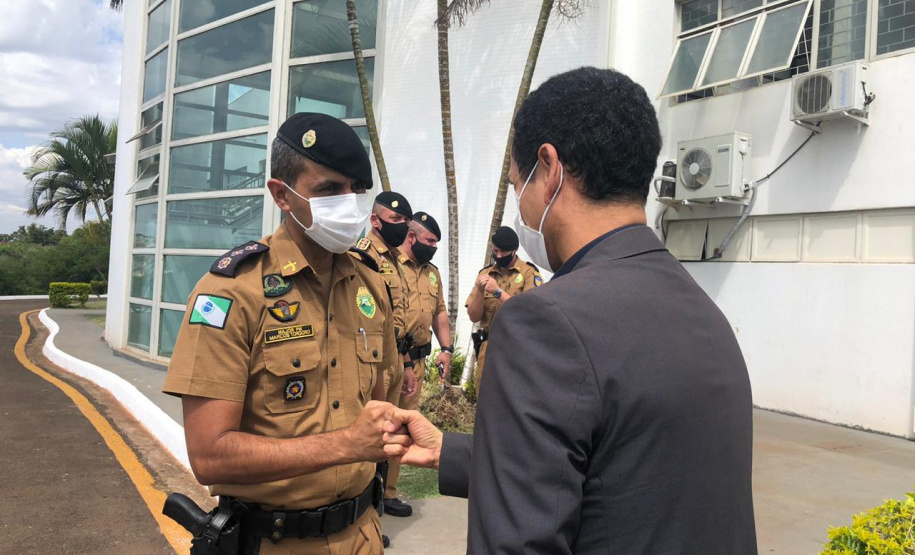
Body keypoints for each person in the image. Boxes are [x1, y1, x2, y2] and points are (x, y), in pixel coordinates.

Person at [383, 67, 758, 554]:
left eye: (519, 184)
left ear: (550, 167)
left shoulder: (545, 322)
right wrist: (452, 451)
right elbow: (625, 471)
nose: (520, 202)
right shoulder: (702, 310)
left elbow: (517, 540)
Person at [162, 113, 400, 554]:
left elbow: (378, 404)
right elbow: (209, 455)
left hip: (364, 534)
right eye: (329, 189)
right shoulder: (232, 292)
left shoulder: (371, 284)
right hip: (275, 541)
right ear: (281, 195)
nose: (348, 204)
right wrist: (347, 445)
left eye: (357, 190)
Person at [382, 211, 453, 517]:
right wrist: (405, 362)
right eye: (430, 241)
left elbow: (439, 313)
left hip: (419, 361)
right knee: (380, 426)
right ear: (411, 237)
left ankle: (386, 493)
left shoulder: (432, 272)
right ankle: (364, 494)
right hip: (391, 359)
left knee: (404, 429)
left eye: (437, 242)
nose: (434, 247)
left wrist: (447, 348)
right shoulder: (390, 265)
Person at [354, 191, 418, 518]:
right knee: (373, 431)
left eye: (405, 221)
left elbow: (400, 316)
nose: (403, 227)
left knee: (393, 431)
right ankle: (367, 507)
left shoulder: (394, 256)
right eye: (395, 220)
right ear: (375, 220)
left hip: (395, 353)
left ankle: (384, 497)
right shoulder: (365, 255)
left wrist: (406, 363)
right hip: (375, 357)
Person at [465, 226, 542, 387]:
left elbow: (528, 313)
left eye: (504, 252)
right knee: (484, 398)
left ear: (514, 250)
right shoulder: (485, 274)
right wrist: (480, 290)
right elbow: (474, 316)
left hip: (515, 347)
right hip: (488, 347)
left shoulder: (529, 274)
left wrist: (498, 292)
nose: (498, 256)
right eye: (495, 251)